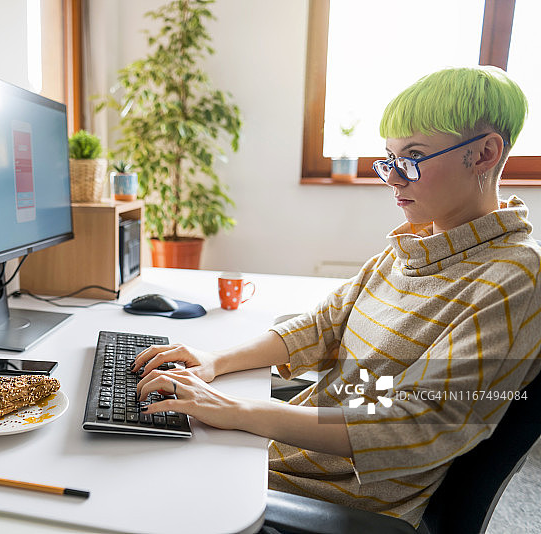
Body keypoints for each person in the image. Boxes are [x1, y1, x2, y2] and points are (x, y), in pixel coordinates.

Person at [132, 66, 541, 528]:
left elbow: (413, 426)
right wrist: (215, 361)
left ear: (485, 153)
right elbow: (323, 324)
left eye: (414, 156)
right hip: (287, 458)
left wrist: (240, 410)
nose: (393, 178)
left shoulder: (514, 277)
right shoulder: (418, 243)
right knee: (134, 450)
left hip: (336, 498)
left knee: (131, 488)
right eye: (389, 159)